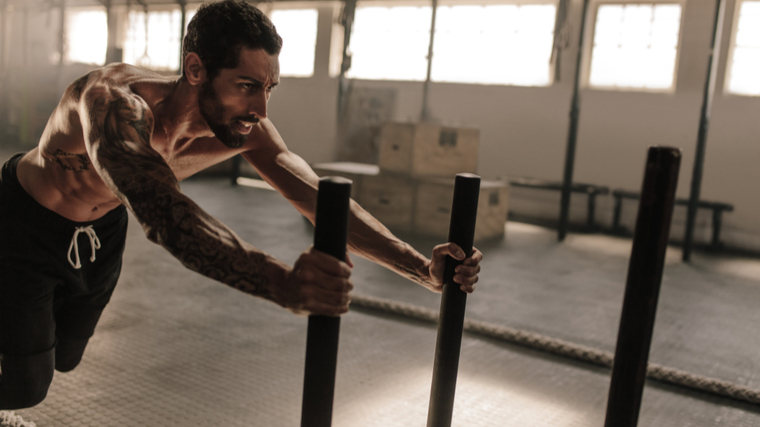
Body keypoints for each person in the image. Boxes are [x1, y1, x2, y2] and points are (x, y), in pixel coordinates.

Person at [0, 0, 483, 410]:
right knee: (26, 387)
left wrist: (423, 270)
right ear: (195, 69)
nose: (262, 109)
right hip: (26, 222)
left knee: (66, 357)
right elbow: (164, 212)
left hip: (102, 236)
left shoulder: (244, 130)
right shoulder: (112, 104)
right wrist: (281, 283)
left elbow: (317, 198)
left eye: (268, 88)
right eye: (247, 86)